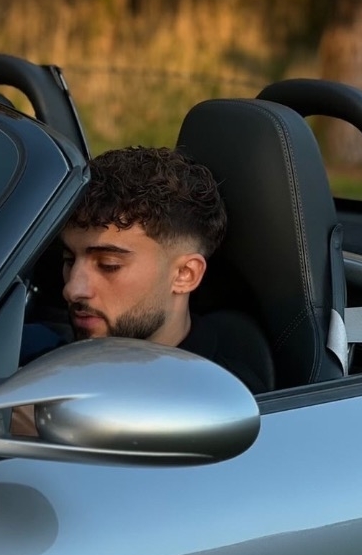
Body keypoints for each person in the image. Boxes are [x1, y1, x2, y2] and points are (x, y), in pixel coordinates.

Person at [21, 145, 274, 395]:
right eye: (69, 260)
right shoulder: (38, 359)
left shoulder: (224, 401)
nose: (72, 289)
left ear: (184, 274)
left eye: (109, 265)